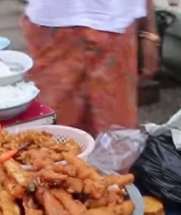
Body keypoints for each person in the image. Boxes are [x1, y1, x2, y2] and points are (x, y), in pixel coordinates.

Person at [21, 0, 161, 137]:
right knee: (52, 138)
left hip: (115, 27)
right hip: (54, 26)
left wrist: (149, 32)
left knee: (117, 137)